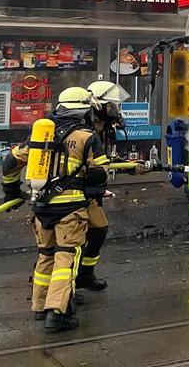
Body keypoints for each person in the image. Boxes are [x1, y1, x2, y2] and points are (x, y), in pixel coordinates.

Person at [2, 87, 109, 331]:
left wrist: (11, 190)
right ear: (84, 110)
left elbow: (10, 162)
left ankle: (40, 307)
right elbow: (99, 174)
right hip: (70, 209)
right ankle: (59, 313)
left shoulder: (41, 135)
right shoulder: (86, 136)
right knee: (66, 258)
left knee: (46, 256)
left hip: (41, 207)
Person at [77, 80, 133, 291]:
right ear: (98, 106)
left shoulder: (104, 128)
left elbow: (107, 158)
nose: (115, 111)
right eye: (111, 106)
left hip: (92, 190)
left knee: (98, 230)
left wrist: (128, 166)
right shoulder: (83, 127)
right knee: (72, 240)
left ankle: (85, 274)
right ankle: (63, 285)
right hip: (75, 190)